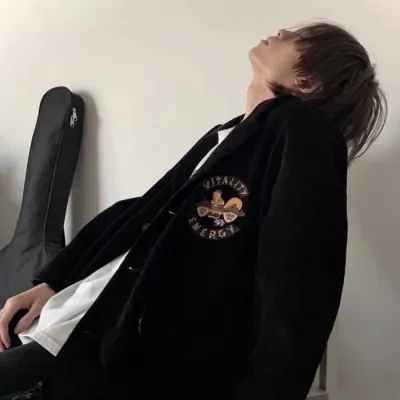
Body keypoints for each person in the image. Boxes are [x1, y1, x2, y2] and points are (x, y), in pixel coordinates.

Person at [0, 22, 387, 400]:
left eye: (301, 40)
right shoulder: (229, 135)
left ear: (309, 81)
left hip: (125, 364)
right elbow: (137, 212)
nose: (283, 32)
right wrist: (54, 281)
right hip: (80, 331)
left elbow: (299, 284)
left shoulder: (305, 133)